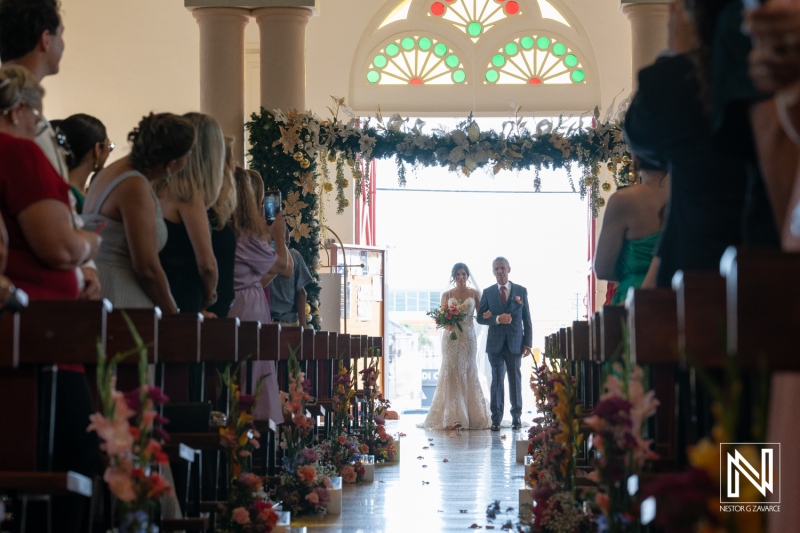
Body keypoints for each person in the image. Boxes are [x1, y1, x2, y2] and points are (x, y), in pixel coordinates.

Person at [0, 64, 101, 533]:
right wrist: (89, 247)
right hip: (35, 346)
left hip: (33, 337)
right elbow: (58, 244)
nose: (41, 133)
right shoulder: (15, 152)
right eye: (40, 121)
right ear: (19, 110)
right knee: (76, 454)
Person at [0, 0, 102, 301]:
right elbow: (54, 238)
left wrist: (86, 265)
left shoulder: (30, 119)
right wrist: (86, 248)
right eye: (61, 34)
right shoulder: (16, 129)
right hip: (30, 296)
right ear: (46, 39)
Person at [83, 113, 195, 313]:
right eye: (189, 156)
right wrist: (173, 314)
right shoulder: (134, 186)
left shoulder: (112, 171)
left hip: (104, 284)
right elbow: (147, 268)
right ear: (171, 164)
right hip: (120, 294)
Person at [229, 167, 290, 422]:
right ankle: (253, 426)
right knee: (252, 373)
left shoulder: (232, 233)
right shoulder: (245, 236)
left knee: (247, 372)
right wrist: (278, 235)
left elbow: (266, 273)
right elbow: (283, 266)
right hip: (247, 312)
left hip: (242, 305)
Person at [154, 112, 223, 315]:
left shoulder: (155, 186)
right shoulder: (188, 194)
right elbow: (207, 265)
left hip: (155, 291)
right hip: (182, 295)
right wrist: (210, 297)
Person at [422, 263, 491, 430]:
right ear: (453, 276)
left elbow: (480, 317)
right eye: (458, 274)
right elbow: (441, 317)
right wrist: (448, 322)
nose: (461, 277)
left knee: (468, 370)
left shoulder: (474, 293)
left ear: (467, 276)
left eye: (464, 274)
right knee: (451, 370)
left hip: (468, 337)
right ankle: (453, 415)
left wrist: (489, 315)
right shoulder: (447, 295)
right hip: (451, 338)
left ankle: (472, 415)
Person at [594, 157, 669, 305]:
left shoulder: (623, 199)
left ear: (636, 155)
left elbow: (603, 269)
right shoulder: (691, 197)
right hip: (680, 301)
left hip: (634, 303)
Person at [476, 257, 532, 431]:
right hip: (495, 345)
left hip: (515, 344)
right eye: (496, 269)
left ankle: (516, 418)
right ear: (493, 272)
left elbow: (527, 319)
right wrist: (498, 319)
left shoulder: (521, 291)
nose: (499, 271)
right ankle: (496, 419)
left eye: (502, 268)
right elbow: (480, 318)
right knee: (497, 380)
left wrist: (527, 343)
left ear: (509, 269)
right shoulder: (488, 292)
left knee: (515, 380)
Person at [50, 113, 113, 213]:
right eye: (109, 146)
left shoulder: (60, 188)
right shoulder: (69, 195)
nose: (109, 152)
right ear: (97, 150)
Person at [268, 227, 312, 327]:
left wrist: (303, 326)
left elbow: (301, 292)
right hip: (265, 320)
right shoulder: (263, 257)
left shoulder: (295, 257)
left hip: (288, 322)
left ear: (287, 244)